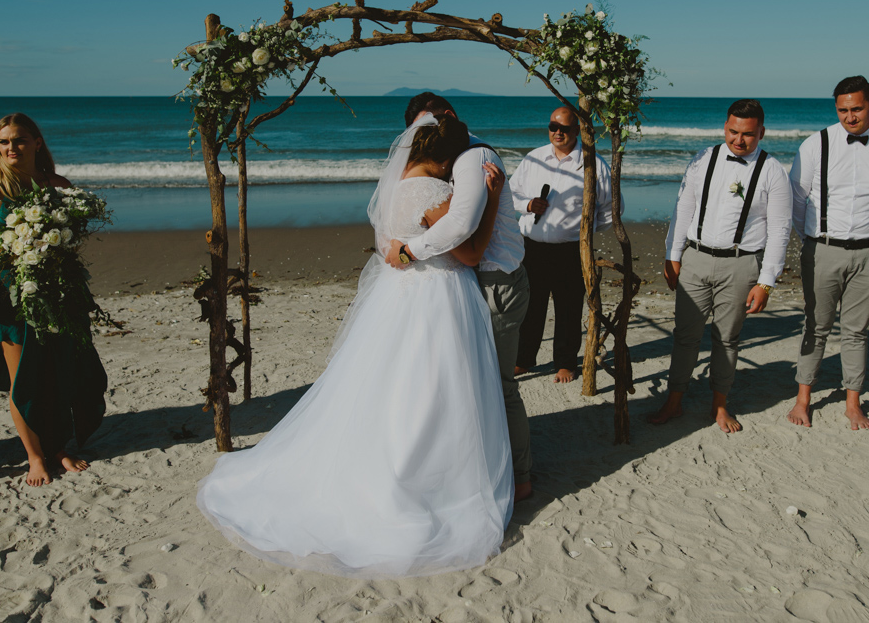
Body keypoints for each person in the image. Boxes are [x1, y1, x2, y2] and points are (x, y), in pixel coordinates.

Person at [199, 115, 514, 577]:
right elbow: (469, 254)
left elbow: (399, 245)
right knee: (434, 390)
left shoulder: (395, 190)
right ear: (445, 158)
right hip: (436, 297)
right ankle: (421, 481)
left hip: (398, 296)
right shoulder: (434, 193)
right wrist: (490, 200)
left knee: (390, 386)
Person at [387, 93, 534, 502]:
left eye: (432, 126)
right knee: (466, 385)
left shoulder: (469, 159)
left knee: (490, 386)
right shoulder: (436, 179)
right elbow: (464, 243)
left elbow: (456, 229)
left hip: (483, 285)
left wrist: (407, 250)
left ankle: (519, 476)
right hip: (456, 287)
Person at [0, 113, 107, 486]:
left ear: (37, 143)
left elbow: (71, 239)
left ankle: (59, 448)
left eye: (20, 140)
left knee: (58, 372)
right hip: (10, 294)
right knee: (24, 379)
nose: (12, 148)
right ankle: (34, 458)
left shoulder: (58, 184)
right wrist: (20, 242)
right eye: (4, 142)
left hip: (58, 290)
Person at [650, 99, 791, 432]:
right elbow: (683, 205)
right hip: (696, 258)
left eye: (748, 134)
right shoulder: (703, 158)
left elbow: (780, 229)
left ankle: (720, 406)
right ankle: (674, 401)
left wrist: (766, 281)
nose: (739, 140)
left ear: (762, 133)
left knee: (727, 339)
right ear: (724, 127)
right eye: (732, 131)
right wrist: (673, 253)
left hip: (742, 265)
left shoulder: (772, 170)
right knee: (685, 335)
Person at [787, 76, 869, 430]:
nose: (850, 117)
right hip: (823, 249)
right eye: (843, 110)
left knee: (857, 330)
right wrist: (812, 240)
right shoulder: (815, 144)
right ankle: (802, 399)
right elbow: (797, 199)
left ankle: (853, 403)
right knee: (817, 325)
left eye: (856, 109)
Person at [510, 106, 617, 383]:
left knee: (569, 309)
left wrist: (584, 232)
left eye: (565, 128)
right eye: (553, 127)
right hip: (532, 247)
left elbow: (609, 210)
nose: (557, 132)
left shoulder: (593, 164)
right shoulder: (534, 159)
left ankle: (565, 363)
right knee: (530, 307)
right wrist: (528, 204)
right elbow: (511, 194)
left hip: (572, 249)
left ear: (577, 131)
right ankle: (523, 359)